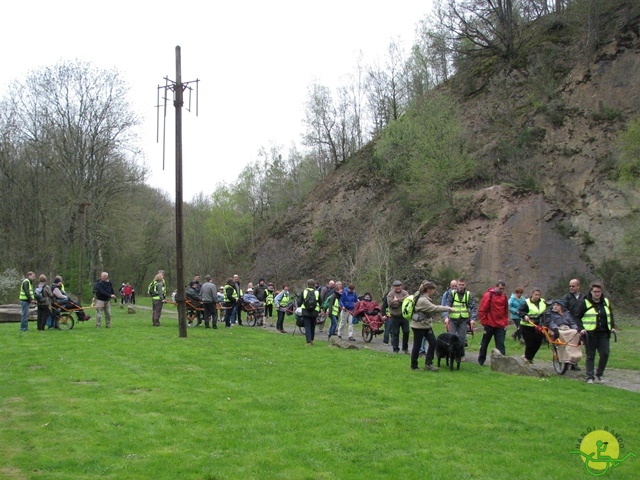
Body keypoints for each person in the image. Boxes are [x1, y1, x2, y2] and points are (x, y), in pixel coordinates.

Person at [576, 282, 616, 384]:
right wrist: (581, 329)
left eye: (599, 292)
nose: (597, 294)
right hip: (590, 334)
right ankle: (590, 376)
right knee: (590, 355)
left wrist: (612, 327)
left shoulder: (605, 302)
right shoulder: (585, 302)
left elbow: (610, 315)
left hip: (604, 333)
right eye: (595, 292)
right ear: (591, 292)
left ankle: (599, 373)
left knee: (605, 353)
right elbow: (577, 317)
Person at [411, 281, 454, 371]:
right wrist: (448, 308)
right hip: (418, 326)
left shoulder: (426, 298)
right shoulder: (423, 300)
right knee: (417, 345)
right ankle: (414, 365)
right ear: (429, 290)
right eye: (434, 290)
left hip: (426, 326)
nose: (434, 292)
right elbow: (435, 308)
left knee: (433, 343)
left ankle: (428, 364)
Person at [477, 280, 510, 366]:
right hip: (489, 324)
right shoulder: (488, 295)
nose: (501, 290)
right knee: (485, 343)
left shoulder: (504, 297)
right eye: (500, 288)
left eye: (503, 289)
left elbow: (505, 310)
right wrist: (484, 322)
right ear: (496, 286)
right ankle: (481, 360)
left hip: (500, 325)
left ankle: (502, 362)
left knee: (500, 344)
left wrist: (505, 322)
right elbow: (482, 309)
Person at [546, 299, 582, 367]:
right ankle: (564, 356)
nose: (555, 307)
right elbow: (550, 323)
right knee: (562, 335)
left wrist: (577, 329)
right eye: (554, 305)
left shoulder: (567, 313)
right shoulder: (550, 314)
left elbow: (572, 322)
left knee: (575, 333)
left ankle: (574, 355)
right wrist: (555, 329)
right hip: (556, 329)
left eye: (557, 305)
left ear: (561, 307)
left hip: (567, 328)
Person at [517, 288, 547, 364]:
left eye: (539, 295)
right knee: (530, 343)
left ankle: (529, 357)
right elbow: (520, 311)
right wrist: (524, 316)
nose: (537, 297)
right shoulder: (526, 303)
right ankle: (528, 359)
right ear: (532, 295)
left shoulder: (543, 302)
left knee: (538, 343)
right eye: (536, 295)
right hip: (526, 326)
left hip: (538, 326)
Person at [446, 278, 477, 347]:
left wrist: (472, 319)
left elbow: (473, 308)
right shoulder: (452, 293)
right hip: (453, 320)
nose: (461, 286)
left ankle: (460, 355)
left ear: (465, 285)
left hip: (463, 320)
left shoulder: (468, 294)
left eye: (463, 285)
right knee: (451, 337)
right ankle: (451, 355)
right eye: (459, 285)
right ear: (457, 285)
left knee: (462, 339)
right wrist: (446, 317)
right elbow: (448, 306)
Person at [386, 280, 410, 354]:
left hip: (404, 316)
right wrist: (402, 301)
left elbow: (408, 299)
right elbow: (391, 304)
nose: (398, 287)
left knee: (406, 332)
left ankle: (405, 348)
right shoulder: (390, 294)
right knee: (395, 333)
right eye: (396, 286)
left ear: (401, 286)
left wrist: (397, 300)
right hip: (394, 317)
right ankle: (395, 349)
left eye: (399, 286)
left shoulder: (405, 292)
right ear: (393, 287)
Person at [297, 279, 320, 345]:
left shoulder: (304, 291)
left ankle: (308, 341)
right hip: (314, 311)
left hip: (305, 311)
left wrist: (299, 307)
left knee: (307, 326)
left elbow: (299, 302)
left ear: (308, 284)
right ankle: (312, 340)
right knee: (313, 326)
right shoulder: (317, 292)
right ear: (314, 285)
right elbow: (320, 301)